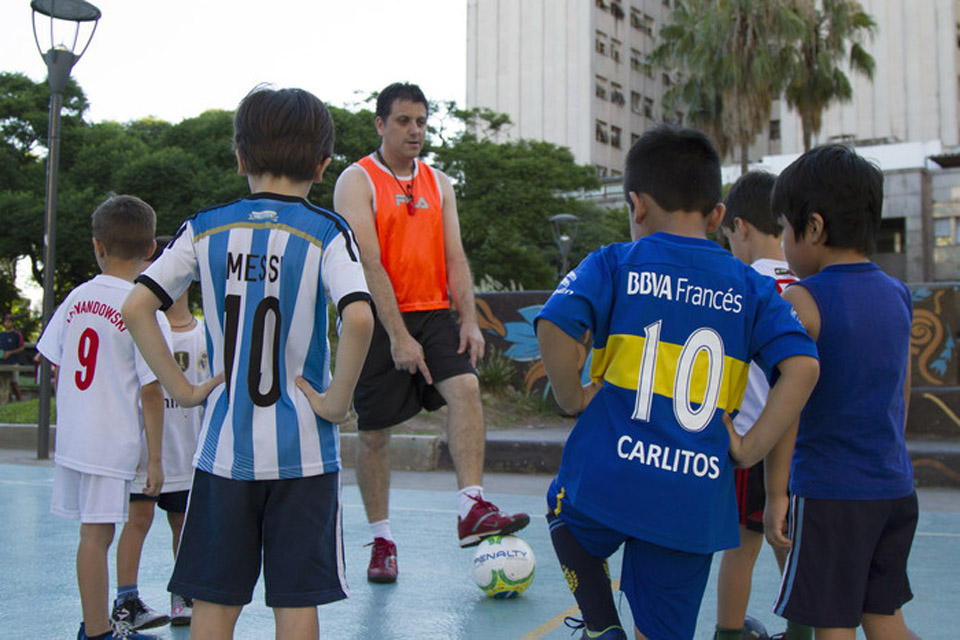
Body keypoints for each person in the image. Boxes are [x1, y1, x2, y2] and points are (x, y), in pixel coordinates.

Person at [534, 126, 821, 640]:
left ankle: (602, 626)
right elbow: (804, 366)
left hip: (609, 475)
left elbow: (554, 322)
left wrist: (571, 395)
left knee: (562, 511)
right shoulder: (751, 286)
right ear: (716, 217)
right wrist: (751, 449)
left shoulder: (616, 262)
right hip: (692, 499)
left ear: (635, 205)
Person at [122, 85, 374, 640]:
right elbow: (358, 318)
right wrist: (336, 402)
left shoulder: (204, 227)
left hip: (223, 451)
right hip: (303, 454)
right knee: (296, 600)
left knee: (214, 599)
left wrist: (185, 391)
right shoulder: (327, 232)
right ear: (323, 164)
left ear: (240, 157)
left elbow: (137, 305)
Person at [333, 81, 529, 583]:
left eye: (421, 121)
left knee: (466, 387)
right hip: (378, 317)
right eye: (403, 121)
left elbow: (455, 255)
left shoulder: (440, 182)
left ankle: (472, 508)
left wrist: (468, 317)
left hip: (436, 311)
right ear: (381, 124)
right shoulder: (356, 180)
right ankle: (382, 540)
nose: (415, 130)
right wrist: (397, 334)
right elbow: (369, 261)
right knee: (375, 435)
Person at [767, 144, 918, 640]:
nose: (784, 242)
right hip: (894, 487)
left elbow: (787, 407)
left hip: (833, 493)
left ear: (813, 227)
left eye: (785, 229)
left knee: (833, 625)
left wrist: (775, 495)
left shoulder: (804, 299)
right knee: (883, 618)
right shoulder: (898, 294)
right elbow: (903, 392)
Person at [36, 194, 171, 640]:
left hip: (76, 436)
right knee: (97, 537)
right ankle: (95, 632)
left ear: (98, 245)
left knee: (92, 536)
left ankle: (95, 624)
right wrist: (155, 459)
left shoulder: (77, 298)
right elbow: (152, 392)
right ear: (151, 249)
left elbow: (53, 360)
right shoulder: (143, 307)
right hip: (112, 441)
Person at [714, 172, 812, 640]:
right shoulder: (807, 284)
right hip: (802, 443)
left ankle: (729, 633)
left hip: (751, 438)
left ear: (741, 227)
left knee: (741, 548)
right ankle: (798, 631)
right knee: (790, 541)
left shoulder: (737, 283)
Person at [112, 237, 208, 631]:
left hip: (187, 450)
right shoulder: (140, 328)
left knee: (183, 523)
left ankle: (183, 591)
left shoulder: (205, 334)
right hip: (148, 449)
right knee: (138, 519)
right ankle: (125, 599)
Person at [0, 311, 25, 402]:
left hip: (13, 361)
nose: (7, 323)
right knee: (3, 382)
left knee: (14, 382)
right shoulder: (1, 335)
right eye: (6, 321)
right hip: (2, 362)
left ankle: (19, 400)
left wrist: (10, 353)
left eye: (9, 321)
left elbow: (21, 348)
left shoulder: (16, 335)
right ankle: (5, 400)